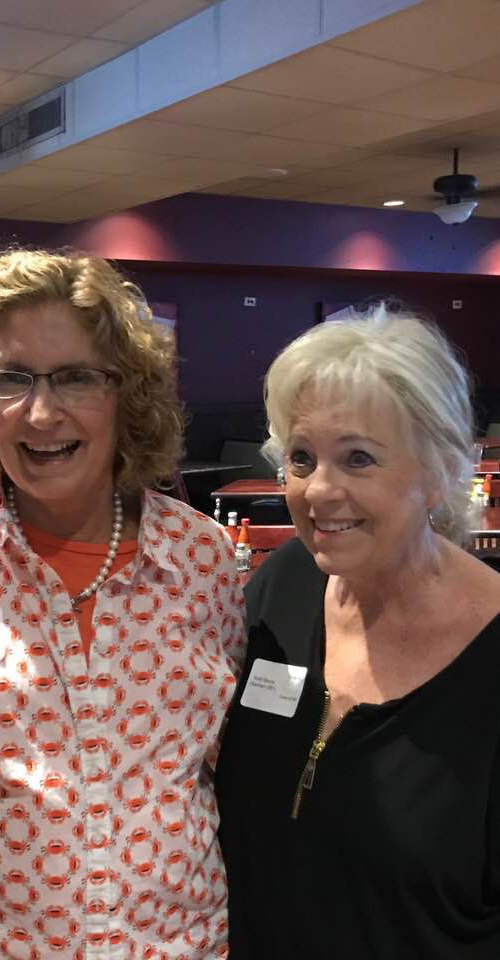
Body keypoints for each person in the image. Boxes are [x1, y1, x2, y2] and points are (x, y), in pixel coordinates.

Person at [0, 247, 246, 960]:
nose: (40, 412)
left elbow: (233, 770)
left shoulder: (200, 558)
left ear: (126, 394)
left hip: (185, 944)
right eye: (12, 379)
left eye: (76, 377)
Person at [216, 305, 500, 959]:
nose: (318, 491)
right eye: (301, 457)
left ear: (438, 470)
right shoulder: (284, 584)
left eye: (358, 459)